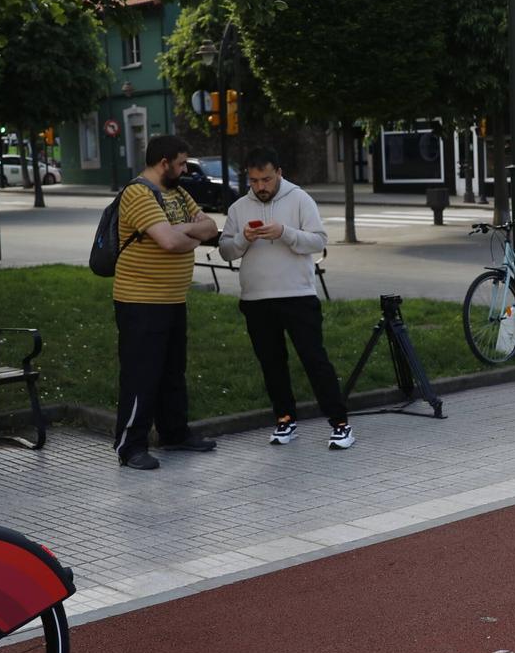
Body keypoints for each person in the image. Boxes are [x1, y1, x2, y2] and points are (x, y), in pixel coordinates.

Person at [217, 148, 354, 450]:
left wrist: (284, 232)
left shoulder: (300, 199)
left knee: (314, 360)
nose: (260, 187)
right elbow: (226, 250)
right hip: (256, 299)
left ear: (278, 172)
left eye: (266, 179)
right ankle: (285, 419)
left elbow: (318, 240)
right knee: (271, 363)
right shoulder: (239, 208)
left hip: (298, 295)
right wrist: (243, 239)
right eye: (254, 181)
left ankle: (340, 423)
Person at [113, 134, 220, 471]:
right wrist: (190, 234)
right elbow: (170, 242)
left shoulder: (177, 192)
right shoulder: (138, 193)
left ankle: (175, 432)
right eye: (181, 163)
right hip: (140, 300)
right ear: (164, 163)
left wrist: (184, 232)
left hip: (173, 298)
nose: (184, 168)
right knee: (141, 375)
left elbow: (212, 226)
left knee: (173, 371)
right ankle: (130, 445)